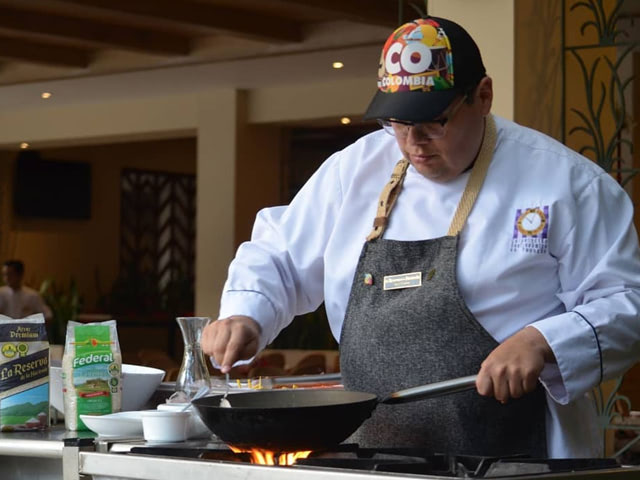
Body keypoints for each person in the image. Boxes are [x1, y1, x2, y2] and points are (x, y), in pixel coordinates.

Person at [201, 16, 640, 458]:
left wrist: (543, 341)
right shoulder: (354, 170)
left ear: (483, 96)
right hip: (371, 453)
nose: (414, 143)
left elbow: (626, 302)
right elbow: (280, 256)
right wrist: (246, 314)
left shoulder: (567, 183)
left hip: (513, 452)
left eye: (434, 122)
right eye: (397, 123)